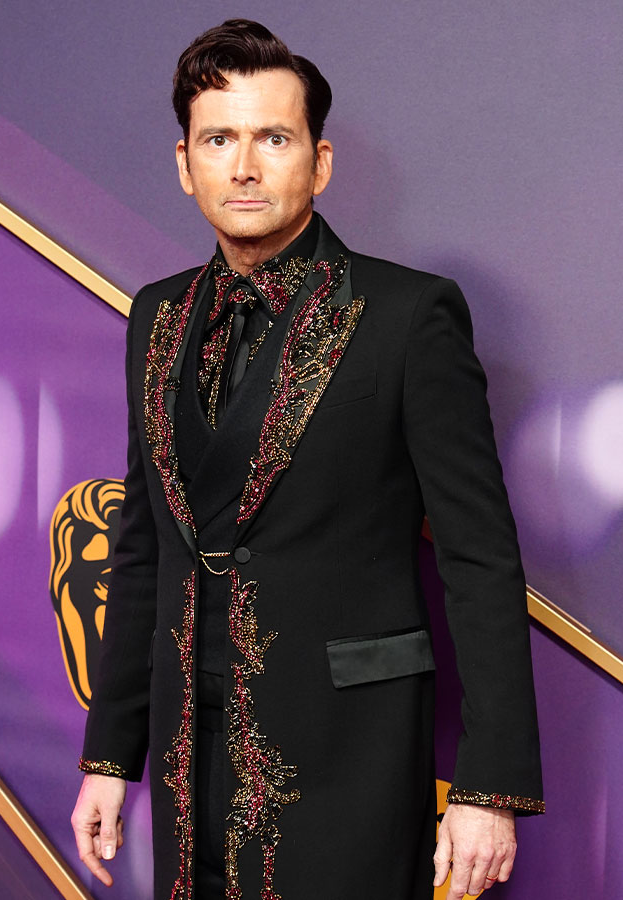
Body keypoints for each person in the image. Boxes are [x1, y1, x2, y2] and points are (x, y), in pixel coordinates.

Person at [70, 19, 543, 900]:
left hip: (346, 756)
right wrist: (110, 755)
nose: (243, 167)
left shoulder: (409, 315)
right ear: (185, 164)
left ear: (318, 163)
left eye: (272, 138)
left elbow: (480, 557)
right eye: (219, 140)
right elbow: (144, 545)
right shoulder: (156, 315)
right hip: (187, 760)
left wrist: (489, 788)